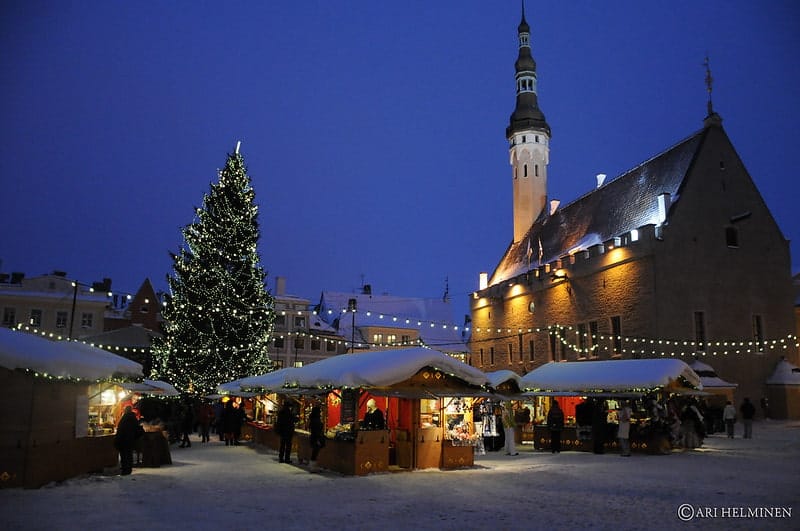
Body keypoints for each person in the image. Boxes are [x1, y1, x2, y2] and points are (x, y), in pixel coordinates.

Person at [115, 406, 144, 475]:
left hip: (123, 439)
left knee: (124, 455)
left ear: (125, 410)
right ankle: (128, 469)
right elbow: (137, 429)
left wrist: (117, 439)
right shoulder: (133, 418)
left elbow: (121, 430)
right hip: (130, 440)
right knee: (128, 454)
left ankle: (125, 469)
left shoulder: (125, 418)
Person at [308, 405, 325, 472]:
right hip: (316, 438)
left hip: (314, 437)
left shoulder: (312, 419)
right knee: (315, 452)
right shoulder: (316, 420)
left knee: (315, 452)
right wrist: (318, 439)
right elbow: (317, 430)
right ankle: (313, 467)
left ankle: (313, 466)